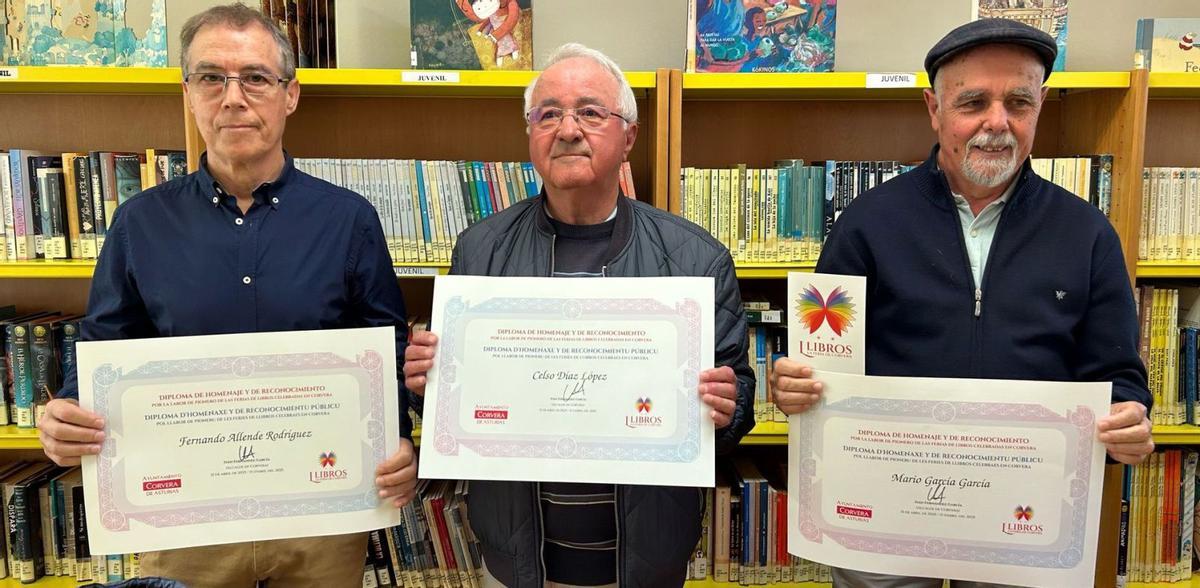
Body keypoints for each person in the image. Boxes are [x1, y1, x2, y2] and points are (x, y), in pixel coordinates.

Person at [36, 4, 416, 587]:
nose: (233, 97)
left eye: (256, 78)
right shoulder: (139, 223)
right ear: (188, 93)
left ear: (290, 95)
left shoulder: (350, 221)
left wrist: (404, 444)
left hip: (320, 518)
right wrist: (64, 418)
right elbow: (100, 357)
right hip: (185, 521)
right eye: (211, 78)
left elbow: (388, 357)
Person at [770, 18, 1154, 588]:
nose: (997, 123)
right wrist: (793, 385)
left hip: (1023, 518)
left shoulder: (1088, 233)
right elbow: (823, 367)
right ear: (934, 107)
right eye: (973, 101)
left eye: (1018, 102)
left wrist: (1131, 416)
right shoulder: (867, 223)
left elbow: (1118, 375)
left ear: (1040, 106)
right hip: (887, 514)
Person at [402, 43, 756, 587]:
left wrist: (726, 407)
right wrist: (431, 383)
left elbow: (740, 404)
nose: (568, 129)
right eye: (548, 114)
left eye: (590, 112)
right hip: (517, 560)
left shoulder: (695, 258)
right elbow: (460, 403)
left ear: (629, 136)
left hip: (646, 560)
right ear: (530, 134)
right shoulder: (481, 250)